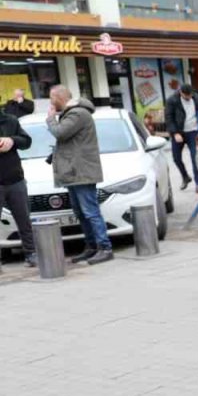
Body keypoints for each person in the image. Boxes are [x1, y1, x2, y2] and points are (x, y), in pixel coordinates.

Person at [45, 86, 112, 265]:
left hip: (81, 171)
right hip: (74, 172)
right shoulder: (71, 113)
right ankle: (91, 247)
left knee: (90, 211)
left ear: (59, 97)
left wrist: (50, 119)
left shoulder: (78, 114)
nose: (50, 102)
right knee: (81, 212)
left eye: (51, 98)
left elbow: (60, 133)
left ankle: (105, 247)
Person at [0, 97, 34, 266]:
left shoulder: (11, 121)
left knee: (24, 220)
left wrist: (12, 140)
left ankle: (31, 254)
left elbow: (26, 141)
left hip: (15, 179)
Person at [164, 83, 198, 192]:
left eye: (190, 94)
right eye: (186, 95)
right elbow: (169, 118)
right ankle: (185, 177)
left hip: (194, 132)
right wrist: (175, 133)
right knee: (176, 158)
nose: (189, 97)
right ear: (181, 92)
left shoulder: (196, 98)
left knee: (195, 158)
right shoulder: (172, 100)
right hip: (179, 132)